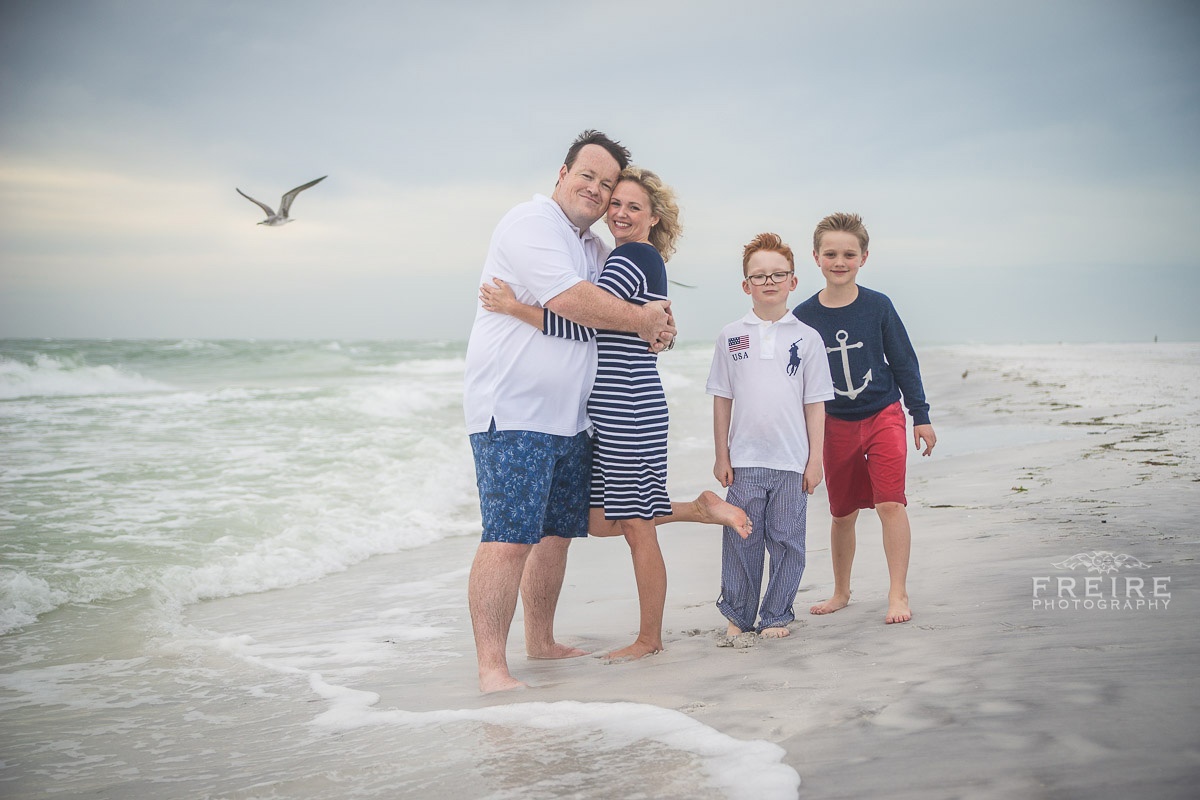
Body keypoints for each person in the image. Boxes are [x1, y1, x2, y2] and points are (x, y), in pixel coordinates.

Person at [480, 167, 751, 662]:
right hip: (611, 408)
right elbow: (629, 325)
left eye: (634, 207)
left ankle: (649, 639)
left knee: (635, 526)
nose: (621, 213)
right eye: (616, 204)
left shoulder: (632, 256)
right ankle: (698, 508)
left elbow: (586, 325)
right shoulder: (621, 257)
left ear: (652, 218)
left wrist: (514, 307)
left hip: (628, 405)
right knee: (599, 520)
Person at [463, 130, 676, 692]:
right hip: (513, 411)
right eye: (589, 175)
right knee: (508, 538)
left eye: (608, 185)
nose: (598, 190)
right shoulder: (531, 224)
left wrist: (658, 321)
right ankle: (492, 668)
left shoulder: (596, 248)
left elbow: (630, 307)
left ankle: (541, 640)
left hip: (573, 417)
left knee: (555, 536)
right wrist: (643, 320)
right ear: (562, 173)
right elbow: (571, 304)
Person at [792, 212, 937, 624]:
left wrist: (920, 416)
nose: (840, 261)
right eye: (831, 253)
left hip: (883, 414)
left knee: (891, 501)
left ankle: (898, 594)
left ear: (864, 257)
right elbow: (792, 379)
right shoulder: (804, 317)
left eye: (849, 254)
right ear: (816, 257)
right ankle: (841, 591)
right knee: (842, 513)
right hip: (835, 423)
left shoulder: (878, 306)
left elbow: (904, 361)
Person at [706, 233, 834, 639]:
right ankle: (738, 616)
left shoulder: (808, 338)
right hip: (744, 460)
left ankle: (777, 615)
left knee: (787, 542)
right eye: (759, 276)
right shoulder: (731, 335)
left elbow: (815, 403)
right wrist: (721, 455)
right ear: (746, 285)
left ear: (793, 282)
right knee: (741, 539)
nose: (769, 282)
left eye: (778, 274)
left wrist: (815, 460)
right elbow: (722, 398)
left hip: (792, 461)